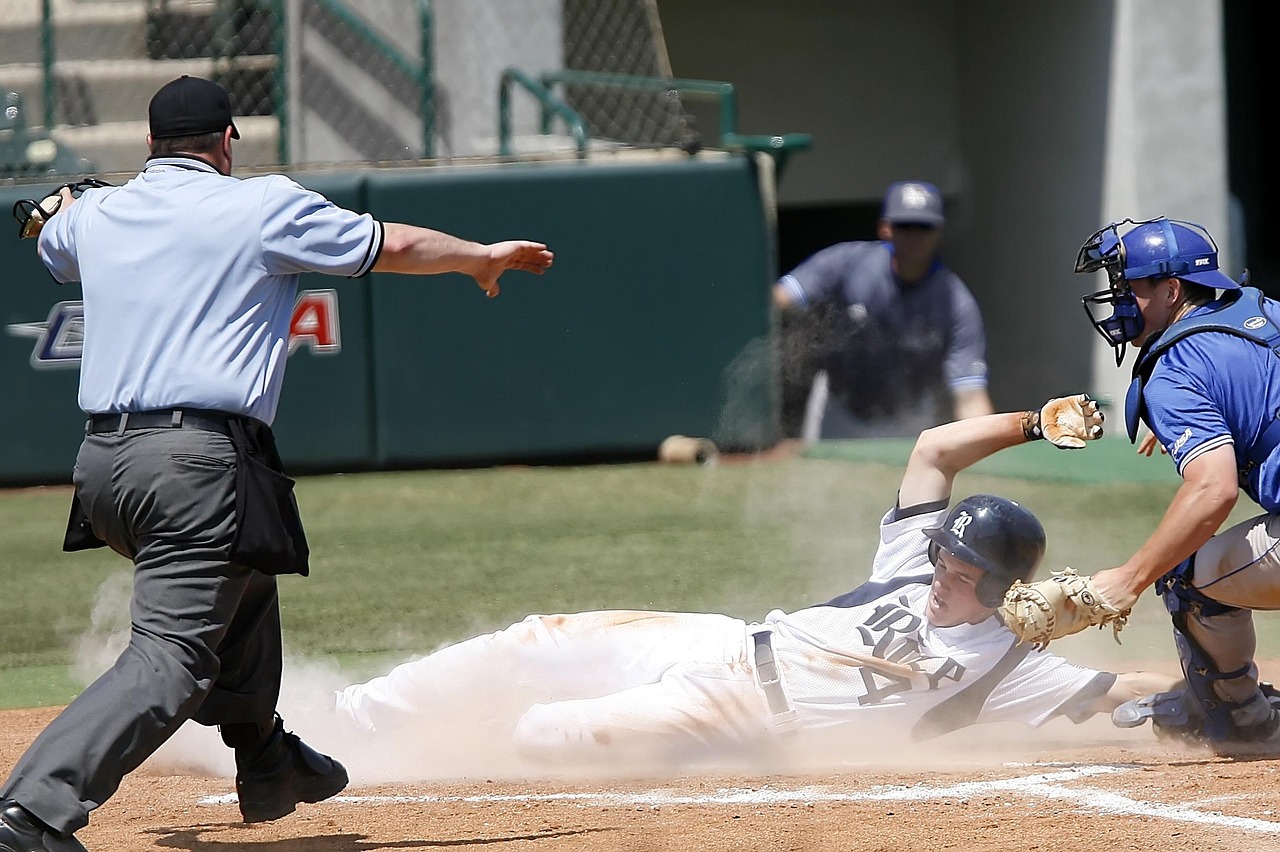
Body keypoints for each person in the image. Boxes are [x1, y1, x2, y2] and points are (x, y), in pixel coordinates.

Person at [0, 75, 553, 852]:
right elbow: (389, 244)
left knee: (247, 573)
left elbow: (51, 235)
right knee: (172, 658)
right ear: (228, 142)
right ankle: (31, 811)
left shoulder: (98, 214)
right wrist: (478, 258)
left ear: (150, 145)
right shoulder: (260, 204)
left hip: (103, 469)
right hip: (196, 462)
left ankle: (266, 759)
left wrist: (63, 207)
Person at [329, 395, 1176, 770]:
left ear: (1001, 587)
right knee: (531, 641)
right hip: (725, 641)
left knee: (543, 737)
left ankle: (440, 746)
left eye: (963, 574)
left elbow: (1123, 687)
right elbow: (931, 450)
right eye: (942, 561)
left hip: (740, 715)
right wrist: (1033, 423)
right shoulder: (907, 572)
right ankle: (348, 722)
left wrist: (1220, 689)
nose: (942, 578)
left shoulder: (1010, 666)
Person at [1071, 216, 1280, 755]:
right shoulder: (1268, 313)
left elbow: (1214, 491)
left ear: (1171, 290)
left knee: (1184, 572)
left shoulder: (1175, 370)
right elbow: (1252, 391)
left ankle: (1240, 718)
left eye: (1130, 289)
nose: (1118, 301)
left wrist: (1131, 577)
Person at [773, 180, 995, 441]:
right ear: (885, 228)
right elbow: (780, 298)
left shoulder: (956, 302)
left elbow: (969, 394)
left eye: (924, 226)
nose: (915, 235)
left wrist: (989, 456)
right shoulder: (847, 262)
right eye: (905, 225)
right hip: (839, 413)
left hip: (910, 422)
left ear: (939, 231)